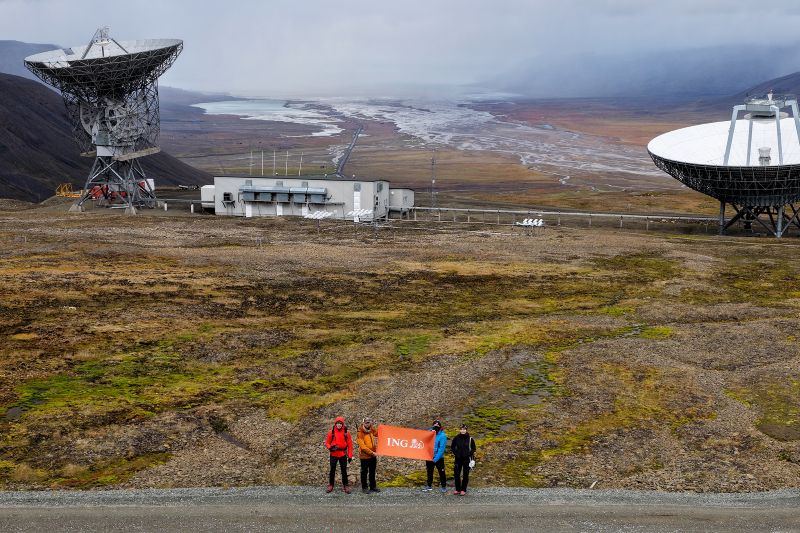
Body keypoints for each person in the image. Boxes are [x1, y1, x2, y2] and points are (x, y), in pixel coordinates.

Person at [325, 416, 353, 493]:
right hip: (333, 454)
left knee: (344, 470)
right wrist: (330, 447)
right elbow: (327, 442)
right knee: (332, 470)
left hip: (343, 454)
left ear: (342, 424)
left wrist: (350, 455)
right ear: (335, 424)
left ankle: (346, 485)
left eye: (341, 423)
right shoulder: (331, 432)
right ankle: (331, 484)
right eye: (338, 423)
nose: (339, 425)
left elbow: (350, 445)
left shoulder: (347, 433)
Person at [451, 423, 476, 495]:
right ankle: (458, 489)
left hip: (466, 459)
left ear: (466, 430)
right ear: (459, 430)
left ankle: (463, 489)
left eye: (464, 429)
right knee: (456, 474)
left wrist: (468, 454)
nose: (462, 431)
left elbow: (474, 448)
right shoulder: (456, 438)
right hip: (458, 459)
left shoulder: (470, 439)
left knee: (465, 474)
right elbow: (452, 447)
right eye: (461, 429)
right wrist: (456, 453)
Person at [357, 417, 381, 494]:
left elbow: (377, 434)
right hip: (364, 456)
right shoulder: (360, 433)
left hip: (373, 456)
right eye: (366, 422)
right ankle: (364, 488)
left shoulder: (371, 429)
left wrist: (384, 430)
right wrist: (372, 452)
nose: (368, 424)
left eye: (369, 422)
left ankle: (373, 487)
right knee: (364, 472)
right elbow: (363, 447)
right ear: (363, 423)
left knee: (372, 471)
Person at [423, 419, 447, 492]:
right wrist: (430, 433)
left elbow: (441, 449)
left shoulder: (442, 436)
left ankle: (443, 486)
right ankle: (429, 485)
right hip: (429, 456)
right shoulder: (429, 433)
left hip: (439, 458)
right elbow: (424, 441)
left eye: (438, 426)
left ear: (440, 426)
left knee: (441, 472)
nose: (436, 427)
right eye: (434, 426)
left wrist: (435, 458)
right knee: (429, 472)